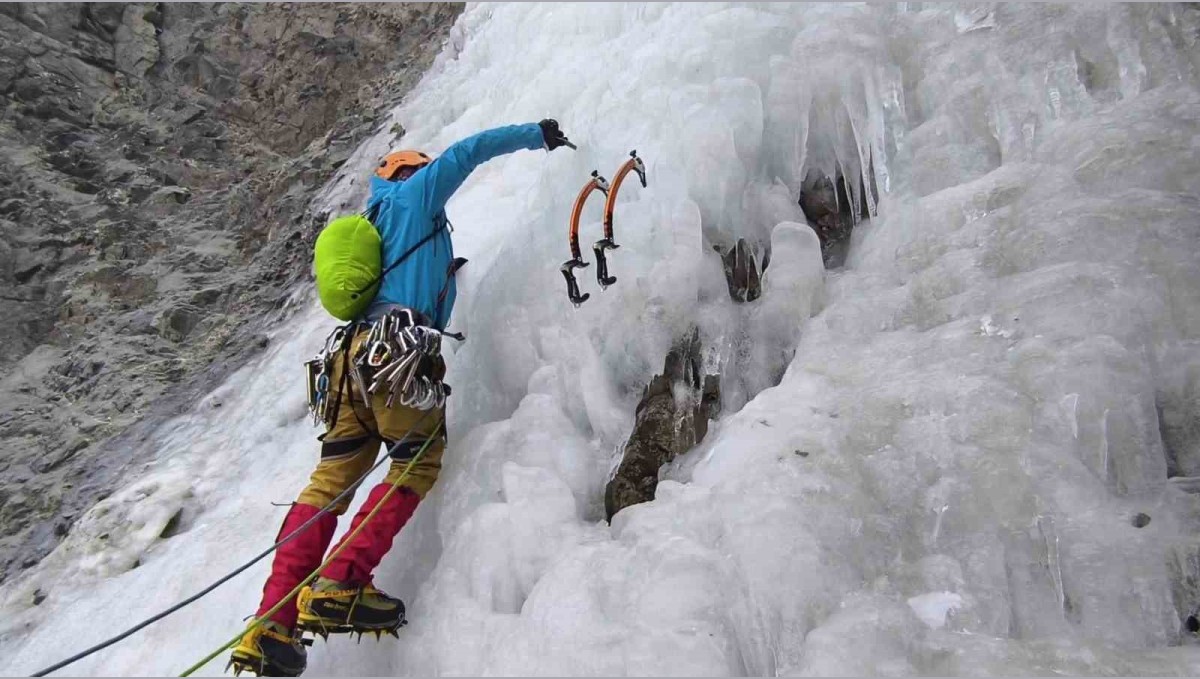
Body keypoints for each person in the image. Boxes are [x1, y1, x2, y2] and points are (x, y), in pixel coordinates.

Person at [230, 119, 575, 677]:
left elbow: (410, 278)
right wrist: (536, 134)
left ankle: (271, 623)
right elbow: (468, 151)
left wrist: (448, 273)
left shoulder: (376, 222)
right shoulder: (416, 194)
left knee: (328, 485)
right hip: (396, 354)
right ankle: (342, 579)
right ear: (409, 172)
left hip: (348, 365)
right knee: (417, 462)